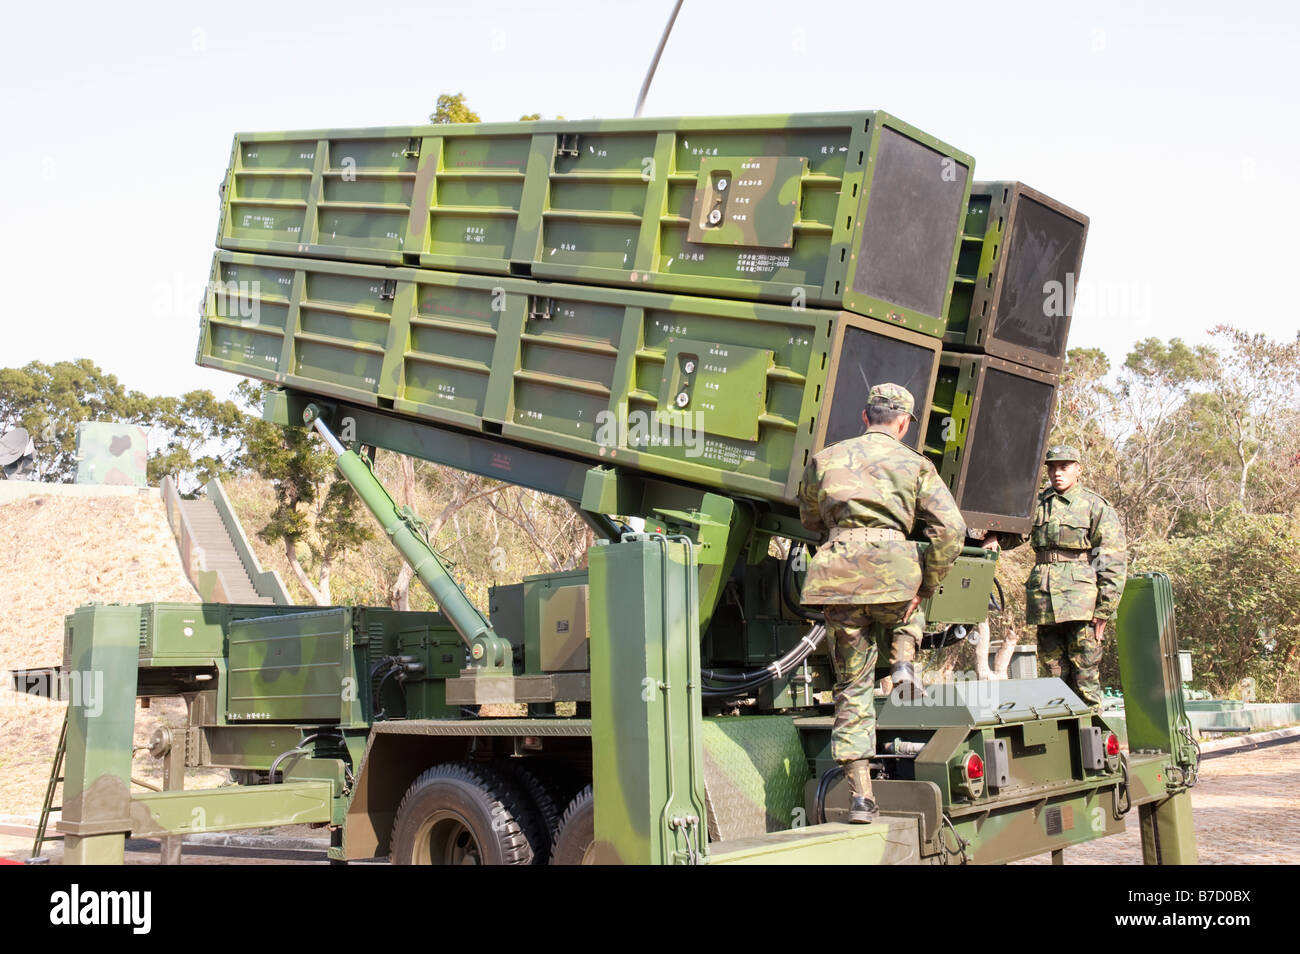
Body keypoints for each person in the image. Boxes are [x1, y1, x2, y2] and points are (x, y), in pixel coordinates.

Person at [798, 383, 965, 823]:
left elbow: (809, 517)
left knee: (851, 689)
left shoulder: (826, 459)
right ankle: (904, 661)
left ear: (864, 415)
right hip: (893, 575)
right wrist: (925, 584)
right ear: (905, 423)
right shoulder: (915, 464)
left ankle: (860, 798)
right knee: (914, 597)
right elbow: (951, 530)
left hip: (840, 581)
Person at [982, 445, 1126, 707]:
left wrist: (1104, 610)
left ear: (1078, 469)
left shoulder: (1095, 506)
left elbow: (1111, 560)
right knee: (1054, 677)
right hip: (1045, 600)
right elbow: (1016, 533)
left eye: (1064, 467)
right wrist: (995, 536)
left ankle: (1092, 739)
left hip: (1081, 602)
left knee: (1085, 676)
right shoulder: (1038, 503)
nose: (1057, 473)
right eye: (1052, 467)